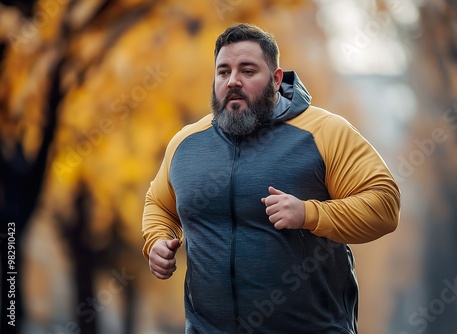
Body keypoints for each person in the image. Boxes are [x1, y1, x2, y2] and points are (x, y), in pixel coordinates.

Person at [142, 23, 400, 334]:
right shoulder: (186, 144)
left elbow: (384, 203)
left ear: (276, 79)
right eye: (223, 72)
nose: (233, 81)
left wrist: (309, 213)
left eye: (248, 71)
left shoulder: (324, 132)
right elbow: (159, 203)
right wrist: (156, 240)